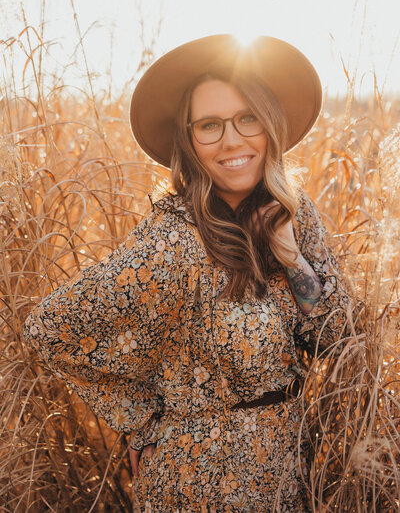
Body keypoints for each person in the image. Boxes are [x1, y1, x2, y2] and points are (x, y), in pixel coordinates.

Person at [23, 34, 360, 512]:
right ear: (189, 140)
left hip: (286, 471)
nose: (232, 140)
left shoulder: (293, 211)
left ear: (269, 124)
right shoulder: (173, 239)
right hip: (201, 482)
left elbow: (341, 340)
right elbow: (49, 328)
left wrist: (291, 257)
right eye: (210, 125)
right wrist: (141, 422)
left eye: (247, 118)